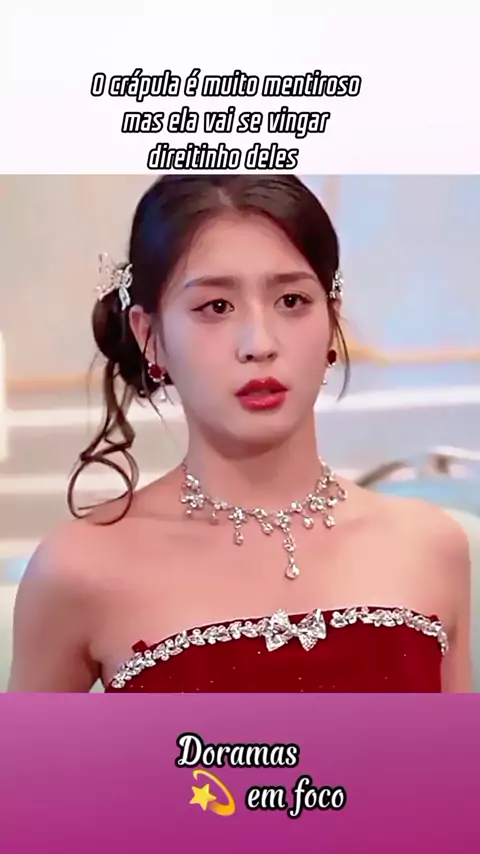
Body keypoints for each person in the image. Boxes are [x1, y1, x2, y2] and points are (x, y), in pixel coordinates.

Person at [8, 175, 472, 693]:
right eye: (216, 307)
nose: (259, 343)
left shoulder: (430, 546)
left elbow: (450, 750)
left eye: (292, 300)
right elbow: (35, 751)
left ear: (331, 321)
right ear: (149, 336)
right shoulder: (79, 569)